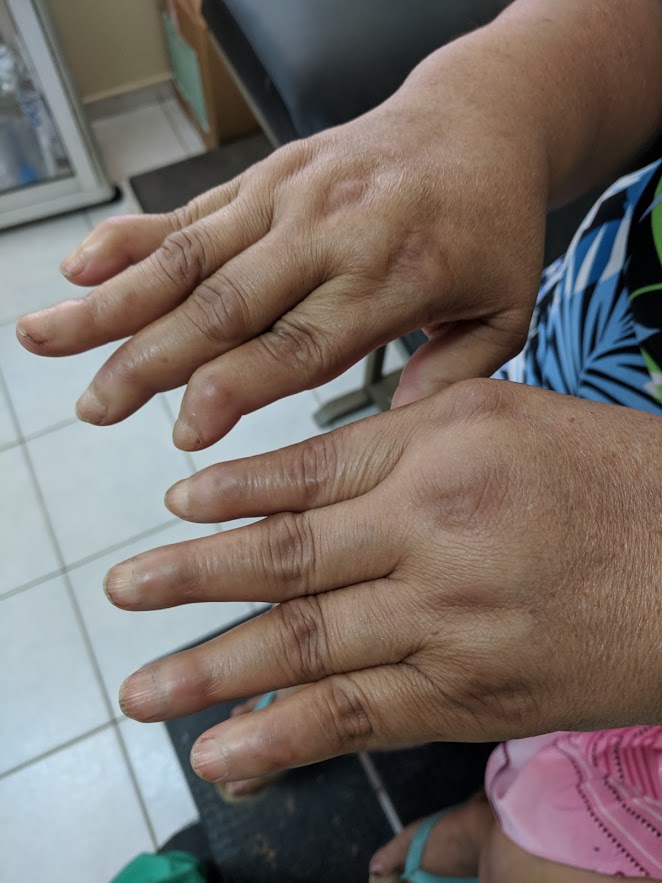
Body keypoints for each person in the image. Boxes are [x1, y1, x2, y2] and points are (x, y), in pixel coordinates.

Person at [16, 0, 662, 879]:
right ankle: (379, 730)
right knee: (408, 573)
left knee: (546, 839)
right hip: (593, 345)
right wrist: (492, 97)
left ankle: (492, 826)